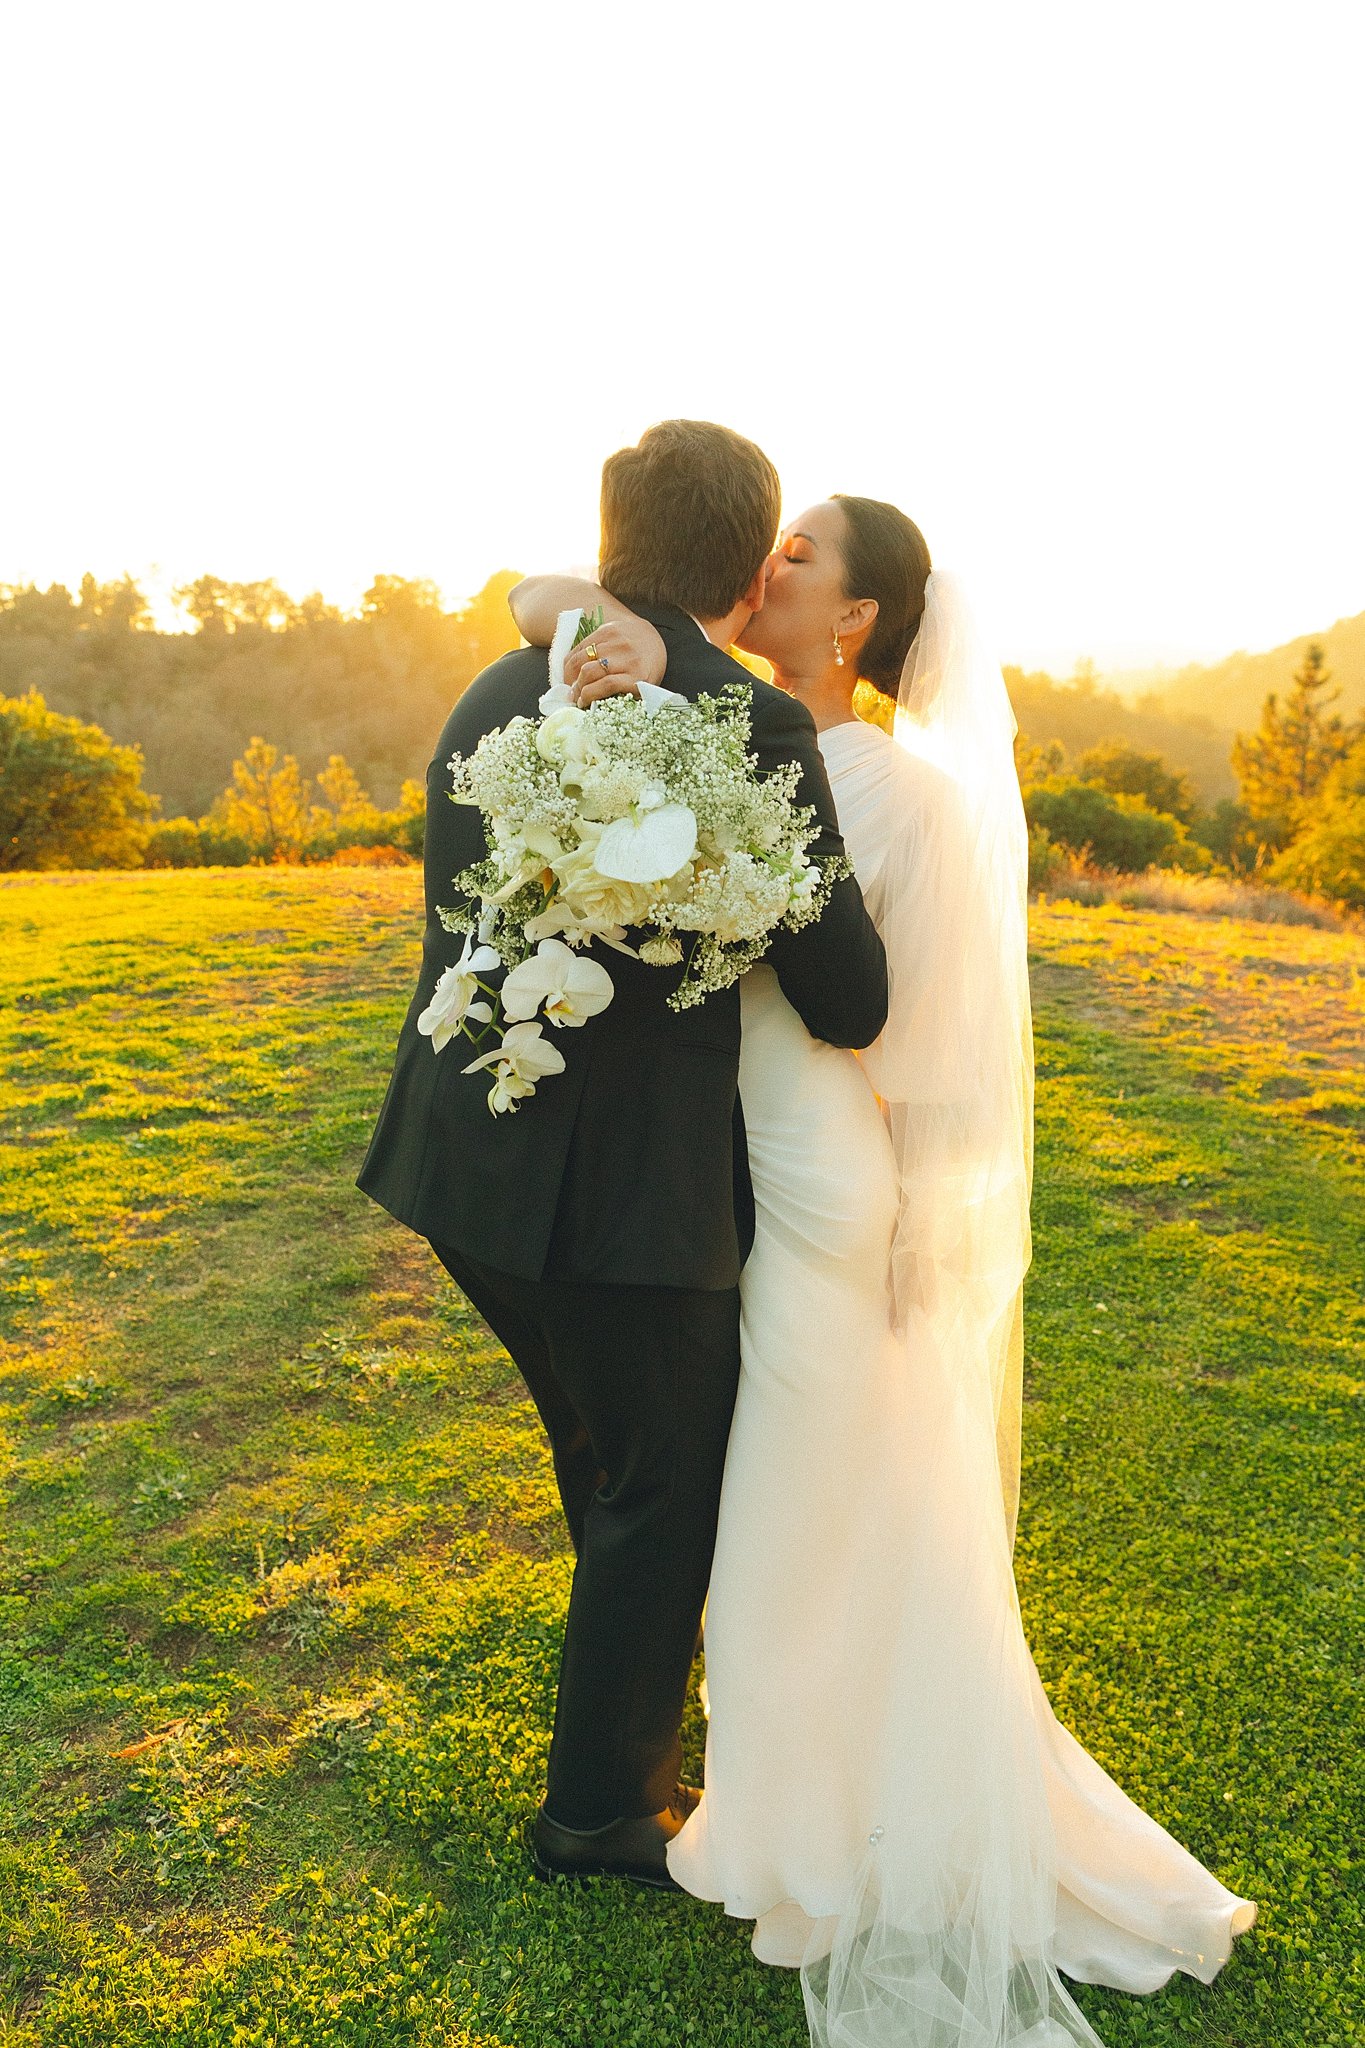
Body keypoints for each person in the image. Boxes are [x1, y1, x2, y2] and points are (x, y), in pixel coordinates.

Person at [509, 495, 1256, 2046]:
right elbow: (549, 602)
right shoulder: (722, 727)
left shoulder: (892, 790)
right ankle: (806, 1792)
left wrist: (915, 1215)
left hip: (824, 1183)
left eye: (798, 558)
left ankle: (803, 1824)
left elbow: (913, 1042)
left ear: (851, 621)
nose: (764, 566)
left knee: (794, 1494)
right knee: (815, 1492)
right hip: (749, 1174)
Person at [357, 425, 889, 1891]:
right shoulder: (746, 720)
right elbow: (850, 999)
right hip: (617, 1199)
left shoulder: (495, 680)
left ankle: (629, 1715)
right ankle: (601, 1812)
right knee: (666, 1475)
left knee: (609, 1456)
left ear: (613, 535)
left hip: (458, 1158)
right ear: (744, 557)